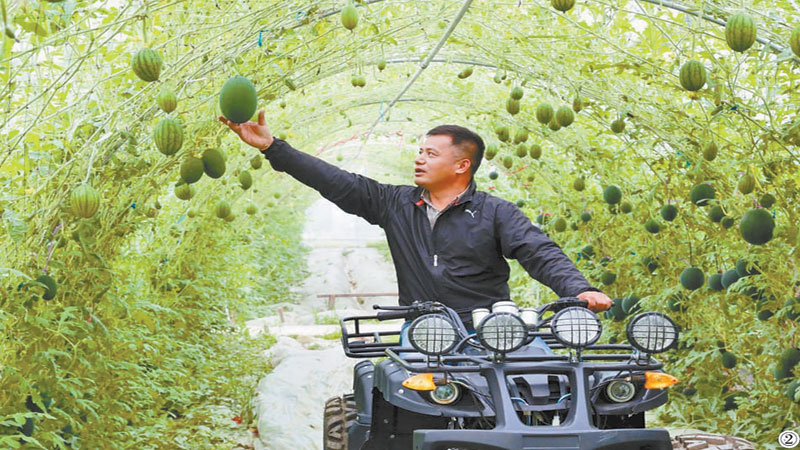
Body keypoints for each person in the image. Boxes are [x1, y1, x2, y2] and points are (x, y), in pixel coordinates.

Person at [218, 110, 612, 347]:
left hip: (493, 329)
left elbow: (537, 250)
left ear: (462, 165)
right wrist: (274, 148)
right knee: (402, 404)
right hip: (425, 330)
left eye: (430, 153)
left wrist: (577, 289)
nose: (419, 160)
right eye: (419, 151)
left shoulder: (496, 213)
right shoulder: (395, 204)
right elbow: (336, 181)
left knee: (546, 379)